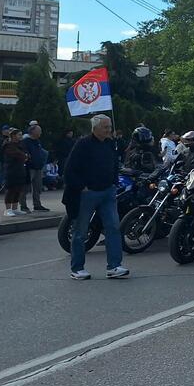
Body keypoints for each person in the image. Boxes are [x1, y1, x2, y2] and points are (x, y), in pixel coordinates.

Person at [63, 114, 129, 280]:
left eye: (109, 127)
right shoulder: (83, 144)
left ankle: (114, 266)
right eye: (105, 127)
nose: (109, 130)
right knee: (81, 231)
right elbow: (69, 169)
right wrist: (81, 187)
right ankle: (77, 268)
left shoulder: (110, 143)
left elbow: (114, 163)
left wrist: (114, 182)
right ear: (95, 128)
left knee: (113, 227)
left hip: (108, 192)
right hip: (88, 194)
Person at [21, 124, 49, 212]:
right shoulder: (26, 142)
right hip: (30, 167)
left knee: (37, 187)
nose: (40, 132)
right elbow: (25, 154)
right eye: (39, 131)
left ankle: (37, 205)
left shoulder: (38, 141)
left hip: (38, 167)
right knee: (25, 187)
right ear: (33, 131)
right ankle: (23, 205)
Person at [2, 129, 28, 217]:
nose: (21, 136)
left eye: (21, 134)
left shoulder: (20, 144)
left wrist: (24, 156)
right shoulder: (8, 145)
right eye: (19, 135)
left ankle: (15, 208)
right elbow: (18, 155)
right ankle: (8, 209)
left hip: (20, 169)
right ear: (13, 135)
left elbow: (26, 154)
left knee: (18, 189)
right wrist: (24, 156)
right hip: (11, 170)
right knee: (11, 189)